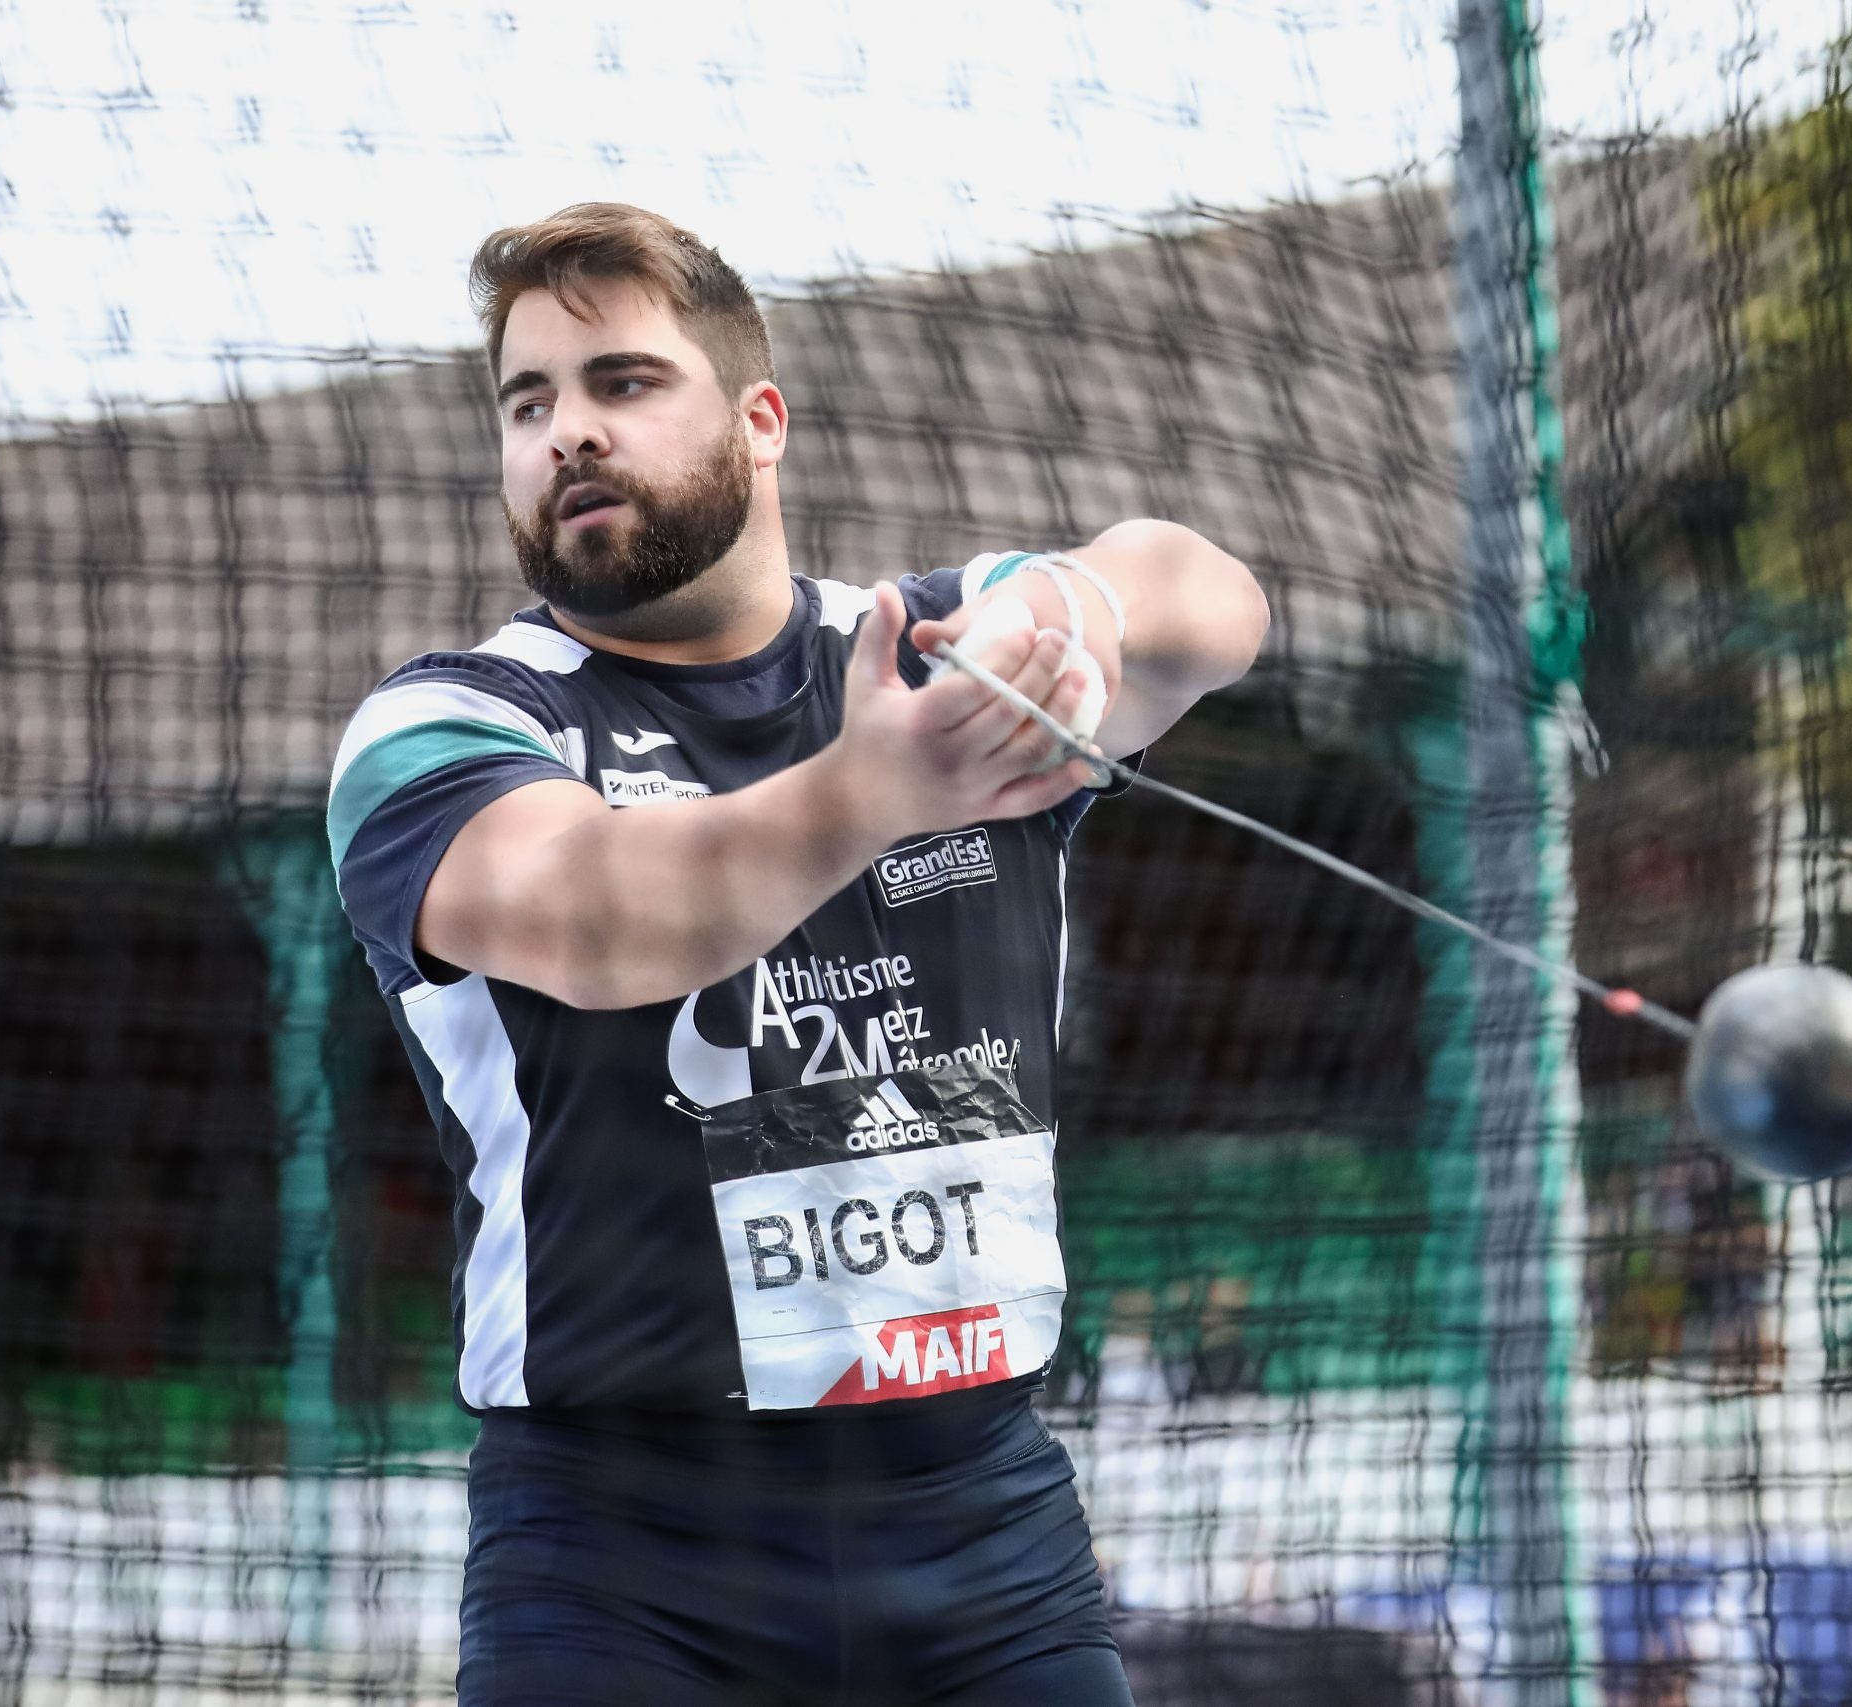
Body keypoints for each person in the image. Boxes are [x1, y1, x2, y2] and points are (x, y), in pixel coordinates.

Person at [327, 201, 1269, 1706]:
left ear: (760, 421)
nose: (569, 432)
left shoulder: (922, 654)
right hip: (625, 1562)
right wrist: (886, 785)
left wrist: (1056, 611)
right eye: (530, 402)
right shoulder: (449, 723)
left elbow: (1210, 600)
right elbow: (603, 916)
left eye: (622, 383)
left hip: (986, 1529)